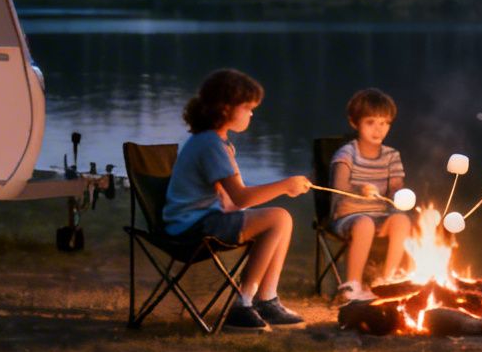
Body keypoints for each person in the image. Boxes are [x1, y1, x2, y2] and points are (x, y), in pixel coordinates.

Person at [161, 68, 313, 331]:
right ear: (225, 108)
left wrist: (253, 210)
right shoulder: (210, 144)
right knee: (279, 217)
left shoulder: (215, 142)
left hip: (199, 221)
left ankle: (267, 299)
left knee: (279, 220)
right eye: (247, 107)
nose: (252, 114)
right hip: (191, 229)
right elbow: (241, 196)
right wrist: (285, 186)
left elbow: (230, 199)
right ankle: (242, 305)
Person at [329, 87, 415, 301]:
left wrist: (402, 196)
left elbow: (396, 188)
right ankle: (352, 285)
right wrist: (360, 189)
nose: (378, 130)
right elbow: (338, 187)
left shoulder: (391, 156)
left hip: (380, 217)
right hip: (348, 218)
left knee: (402, 221)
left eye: (384, 123)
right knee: (365, 223)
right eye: (371, 122)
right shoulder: (348, 153)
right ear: (354, 122)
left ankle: (387, 281)